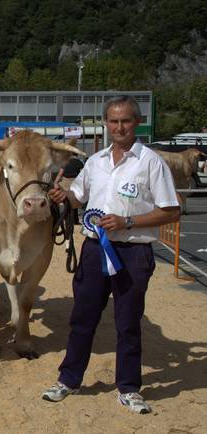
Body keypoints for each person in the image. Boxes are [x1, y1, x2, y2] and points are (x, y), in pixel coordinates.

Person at [43, 96, 180, 414]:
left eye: (126, 120)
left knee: (128, 323)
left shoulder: (150, 162)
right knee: (82, 319)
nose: (119, 127)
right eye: (114, 121)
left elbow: (171, 210)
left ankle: (129, 388)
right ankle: (69, 379)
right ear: (106, 123)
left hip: (133, 253)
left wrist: (128, 221)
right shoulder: (95, 162)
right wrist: (65, 195)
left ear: (137, 122)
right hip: (94, 250)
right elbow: (78, 198)